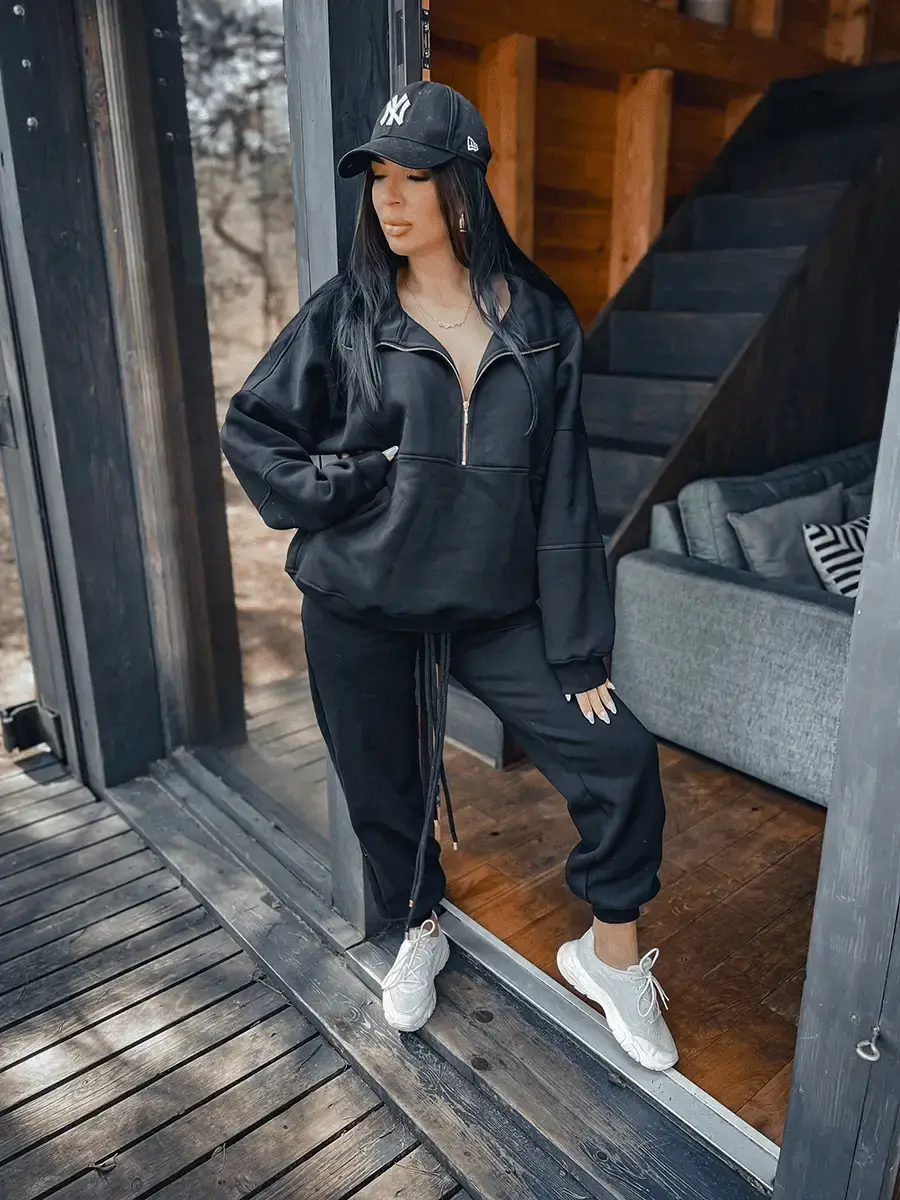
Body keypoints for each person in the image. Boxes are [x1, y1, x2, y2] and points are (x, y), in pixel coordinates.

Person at [219, 80, 676, 1071]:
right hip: (360, 599)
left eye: (414, 177)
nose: (390, 198)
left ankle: (610, 958)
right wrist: (346, 484)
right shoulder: (347, 314)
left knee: (619, 758)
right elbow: (253, 431)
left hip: (493, 607)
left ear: (463, 185)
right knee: (383, 788)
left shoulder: (542, 320)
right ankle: (419, 923)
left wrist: (579, 646)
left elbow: (566, 491)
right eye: (378, 177)